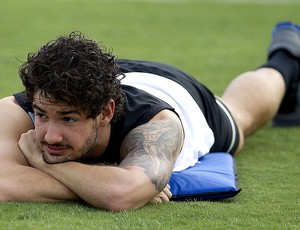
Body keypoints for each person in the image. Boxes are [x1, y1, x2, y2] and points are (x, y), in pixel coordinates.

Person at [0, 21, 299, 212]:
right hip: (114, 75)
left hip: (179, 92)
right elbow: (4, 183)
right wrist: (99, 187)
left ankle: (286, 58)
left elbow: (120, 196)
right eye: (41, 115)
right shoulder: (26, 104)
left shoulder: (157, 124)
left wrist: (40, 163)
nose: (50, 136)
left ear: (105, 113)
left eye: (68, 120)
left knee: (240, 114)